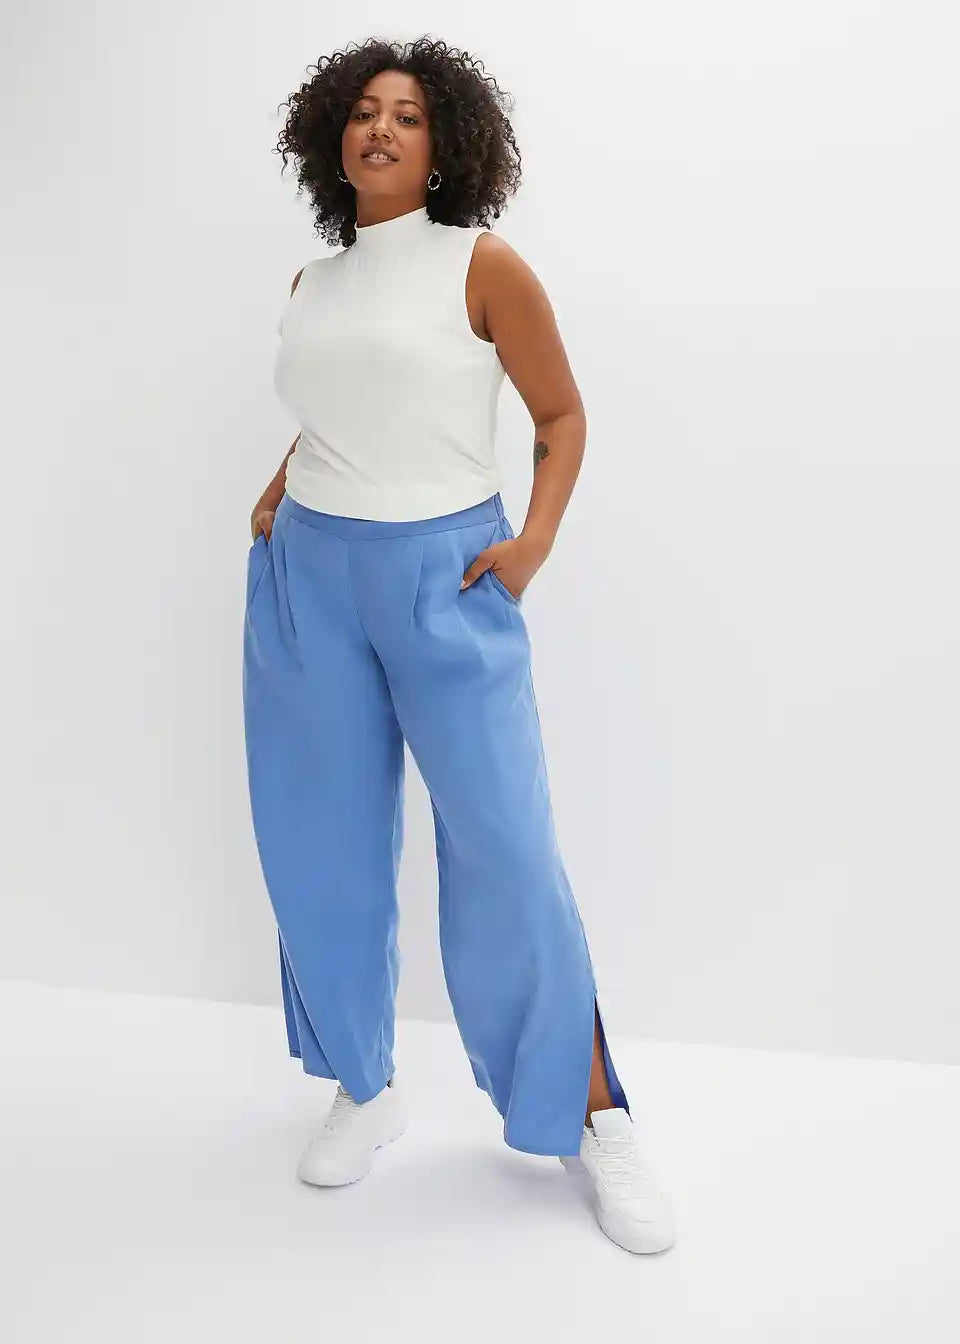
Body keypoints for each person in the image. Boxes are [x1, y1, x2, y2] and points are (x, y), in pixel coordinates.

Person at [243, 36, 676, 1255]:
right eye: (363, 111)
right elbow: (339, 407)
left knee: (508, 849)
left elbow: (560, 412)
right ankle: (363, 1085)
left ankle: (594, 1116)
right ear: (332, 137)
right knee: (319, 842)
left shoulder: (482, 265)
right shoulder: (313, 283)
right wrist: (280, 487)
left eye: (409, 115)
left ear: (445, 146)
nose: (381, 128)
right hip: (311, 578)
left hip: (450, 574)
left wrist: (531, 542)